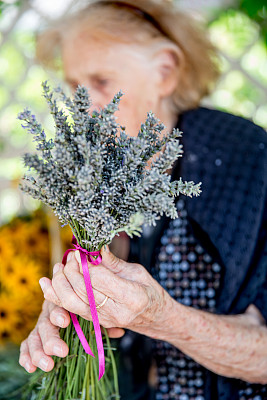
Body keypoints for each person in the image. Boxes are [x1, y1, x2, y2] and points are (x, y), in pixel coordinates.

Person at [18, 1, 267, 399]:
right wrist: (68, 312)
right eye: (73, 86)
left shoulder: (248, 160)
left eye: (100, 81)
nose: (86, 105)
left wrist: (161, 317)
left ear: (165, 71)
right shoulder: (94, 173)